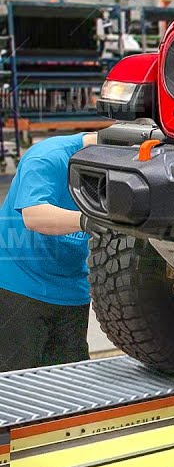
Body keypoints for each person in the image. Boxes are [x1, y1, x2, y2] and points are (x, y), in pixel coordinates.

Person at [0, 132, 97, 372]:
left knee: (72, 381)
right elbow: (35, 216)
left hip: (72, 289)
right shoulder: (47, 157)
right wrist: (91, 221)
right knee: (19, 380)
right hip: (20, 285)